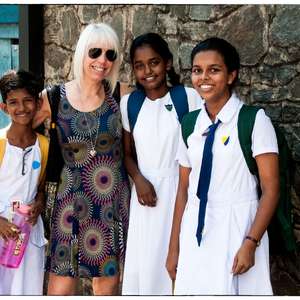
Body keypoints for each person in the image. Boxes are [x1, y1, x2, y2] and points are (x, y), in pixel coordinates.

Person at [166, 37, 279, 295]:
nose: (204, 77)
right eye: (197, 70)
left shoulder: (254, 121)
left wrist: (251, 242)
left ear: (231, 75)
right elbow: (184, 189)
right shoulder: (189, 124)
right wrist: (174, 248)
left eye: (214, 70)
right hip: (196, 228)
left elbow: (271, 190)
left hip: (238, 227)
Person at [37, 23, 131, 295]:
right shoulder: (53, 97)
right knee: (61, 285)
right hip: (69, 202)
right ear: (82, 53)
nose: (102, 61)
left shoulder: (121, 95)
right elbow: (20, 130)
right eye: (95, 52)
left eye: (110, 55)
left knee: (107, 286)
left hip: (110, 201)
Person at [120, 32, 202, 295]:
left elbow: (199, 146)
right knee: (147, 263)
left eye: (154, 62)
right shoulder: (129, 103)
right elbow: (126, 153)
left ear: (167, 63)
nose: (147, 71)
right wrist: (139, 179)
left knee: (180, 259)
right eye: (139, 65)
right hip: (145, 196)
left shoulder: (187, 98)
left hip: (182, 191)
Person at [0, 70, 49, 295]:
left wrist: (39, 204)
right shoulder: (0, 144)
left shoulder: (44, 146)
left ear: (38, 103)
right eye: (13, 102)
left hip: (28, 234)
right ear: (4, 107)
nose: (21, 108)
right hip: (2, 232)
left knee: (28, 289)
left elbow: (40, 187)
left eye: (28, 100)